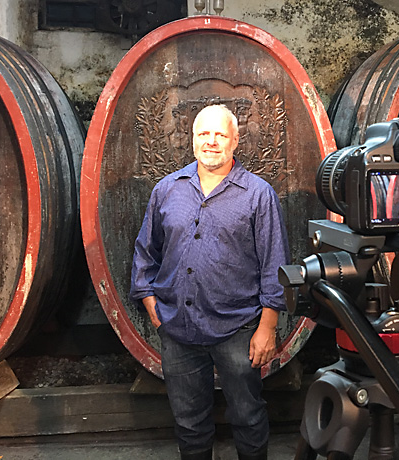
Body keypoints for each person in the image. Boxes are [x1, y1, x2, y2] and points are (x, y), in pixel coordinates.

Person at [130, 104, 289, 460]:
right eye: (204, 134)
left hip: (237, 328)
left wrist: (268, 327)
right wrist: (152, 306)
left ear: (235, 141)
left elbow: (275, 263)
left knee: (247, 416)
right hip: (178, 328)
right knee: (189, 422)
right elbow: (146, 251)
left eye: (220, 135)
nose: (211, 141)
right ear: (192, 141)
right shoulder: (167, 189)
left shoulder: (258, 194)